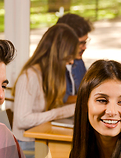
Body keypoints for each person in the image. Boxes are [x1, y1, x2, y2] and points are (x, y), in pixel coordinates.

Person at [12, 23, 78, 151]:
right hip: (26, 146)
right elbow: (22, 120)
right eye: (69, 57)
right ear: (58, 54)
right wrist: (59, 113)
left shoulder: (47, 75)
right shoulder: (30, 77)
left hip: (40, 141)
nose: (71, 62)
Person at [56, 13, 93, 104]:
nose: (85, 47)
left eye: (86, 42)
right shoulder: (50, 66)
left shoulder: (78, 61)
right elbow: (61, 101)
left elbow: (85, 90)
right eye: (81, 43)